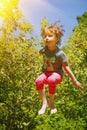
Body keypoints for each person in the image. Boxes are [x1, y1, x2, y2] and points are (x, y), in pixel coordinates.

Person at [35, 22, 83, 115]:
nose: (46, 38)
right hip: (46, 73)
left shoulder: (60, 54)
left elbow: (66, 67)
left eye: (50, 36)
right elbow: (40, 52)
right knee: (38, 81)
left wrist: (75, 81)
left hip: (56, 74)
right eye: (45, 36)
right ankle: (44, 103)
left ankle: (51, 103)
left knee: (51, 80)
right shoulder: (43, 50)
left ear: (57, 38)